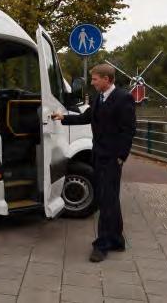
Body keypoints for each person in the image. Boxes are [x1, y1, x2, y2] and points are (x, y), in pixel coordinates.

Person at [51, 64, 136, 262]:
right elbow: (85, 117)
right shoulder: (99, 98)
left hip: (112, 158)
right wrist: (63, 118)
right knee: (110, 199)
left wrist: (121, 156)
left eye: (95, 79)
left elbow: (128, 130)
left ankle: (102, 245)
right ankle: (116, 239)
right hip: (98, 155)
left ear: (107, 79)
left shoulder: (124, 98)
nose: (92, 82)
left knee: (106, 201)